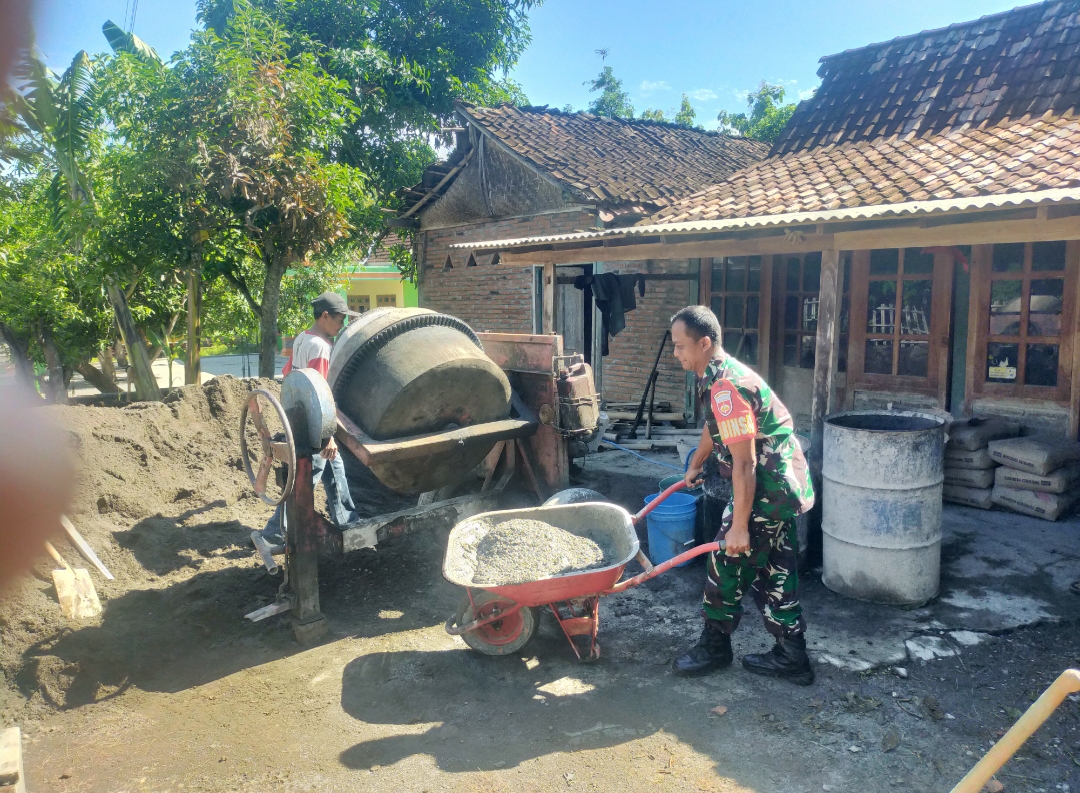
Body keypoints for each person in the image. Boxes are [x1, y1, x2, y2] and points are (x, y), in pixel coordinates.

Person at [669, 305, 816, 685]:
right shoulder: (717, 375)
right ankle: (791, 655)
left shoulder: (725, 387)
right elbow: (715, 426)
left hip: (765, 485)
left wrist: (738, 527)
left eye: (681, 346)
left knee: (726, 561)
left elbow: (746, 464)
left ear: (704, 343)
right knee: (777, 568)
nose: (676, 354)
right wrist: (698, 461)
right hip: (782, 483)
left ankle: (715, 647)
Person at [260, 292, 361, 541]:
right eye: (339, 320)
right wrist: (327, 437)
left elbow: (289, 376)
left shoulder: (302, 339)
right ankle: (273, 532)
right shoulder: (321, 348)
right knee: (304, 483)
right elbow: (320, 396)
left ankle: (349, 525)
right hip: (315, 428)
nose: (342, 326)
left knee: (336, 471)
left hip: (300, 419)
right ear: (325, 316)